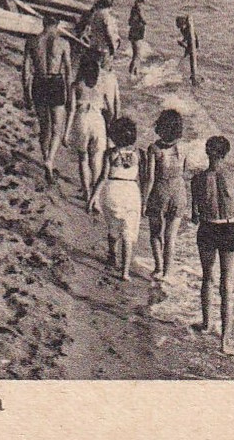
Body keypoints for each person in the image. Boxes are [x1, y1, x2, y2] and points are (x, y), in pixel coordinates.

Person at [190, 135, 234, 355]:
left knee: (207, 277)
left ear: (208, 152)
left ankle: (206, 324)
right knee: (227, 285)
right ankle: (225, 341)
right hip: (228, 229)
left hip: (207, 227)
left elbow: (195, 215)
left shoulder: (197, 180)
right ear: (226, 154)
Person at [22, 11, 74, 185]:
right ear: (57, 25)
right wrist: (69, 94)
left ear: (43, 23)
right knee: (57, 128)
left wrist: (26, 93)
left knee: (45, 128)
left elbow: (26, 71)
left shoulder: (32, 41)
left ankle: (47, 162)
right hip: (56, 82)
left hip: (39, 81)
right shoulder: (63, 43)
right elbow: (68, 72)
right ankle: (50, 160)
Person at [88, 116, 142, 282]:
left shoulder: (110, 154)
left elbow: (102, 177)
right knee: (128, 233)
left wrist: (93, 197)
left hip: (112, 191)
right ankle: (125, 272)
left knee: (113, 226)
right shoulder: (139, 154)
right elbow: (144, 178)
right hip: (131, 191)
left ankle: (112, 253)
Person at [141, 109, 187, 282]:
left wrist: (144, 201)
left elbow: (150, 178)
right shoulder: (184, 148)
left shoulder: (154, 149)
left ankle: (158, 267)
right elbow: (184, 172)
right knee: (171, 237)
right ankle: (168, 273)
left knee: (155, 233)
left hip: (159, 192)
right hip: (179, 192)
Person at [67, 51, 115, 202]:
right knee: (96, 160)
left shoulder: (75, 86)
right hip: (97, 121)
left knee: (83, 158)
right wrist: (108, 124)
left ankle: (86, 193)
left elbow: (71, 110)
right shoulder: (102, 87)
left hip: (81, 120)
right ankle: (96, 197)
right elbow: (111, 110)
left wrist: (66, 133)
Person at [127, 0, 150, 77]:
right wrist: (145, 21)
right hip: (137, 32)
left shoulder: (135, 7)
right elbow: (143, 19)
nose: (147, 0)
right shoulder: (139, 7)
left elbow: (130, 21)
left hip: (134, 31)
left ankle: (135, 72)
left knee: (136, 54)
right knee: (137, 55)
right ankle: (133, 73)